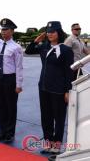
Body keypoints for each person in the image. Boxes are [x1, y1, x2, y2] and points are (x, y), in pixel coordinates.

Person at [25, 21, 74, 154]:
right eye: (48, 32)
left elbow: (68, 72)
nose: (50, 34)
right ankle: (48, 142)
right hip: (44, 87)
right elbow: (29, 51)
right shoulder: (44, 47)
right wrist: (36, 40)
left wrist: (67, 91)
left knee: (59, 118)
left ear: (59, 33)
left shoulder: (66, 50)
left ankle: (56, 145)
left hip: (58, 89)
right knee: (45, 117)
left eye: (53, 31)